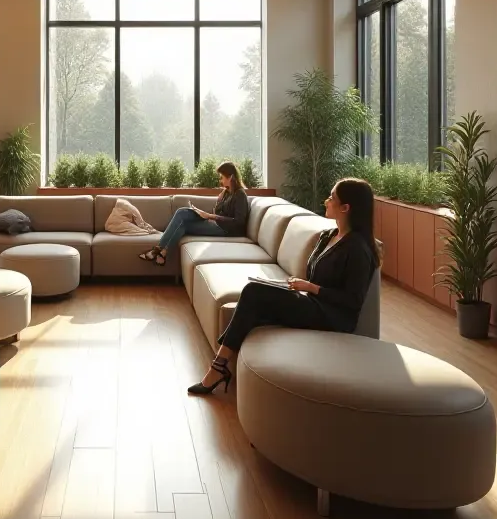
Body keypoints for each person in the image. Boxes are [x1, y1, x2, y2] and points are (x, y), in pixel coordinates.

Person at [188, 177, 379, 395]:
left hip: (332, 317)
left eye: (332, 197)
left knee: (253, 294)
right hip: (313, 302)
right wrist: (300, 286)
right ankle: (222, 365)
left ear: (346, 208)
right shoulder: (329, 235)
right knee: (255, 295)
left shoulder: (358, 249)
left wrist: (311, 288)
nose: (326, 201)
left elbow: (353, 301)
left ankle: (218, 367)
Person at [139, 160, 249, 266]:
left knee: (182, 216)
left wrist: (211, 216)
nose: (220, 180)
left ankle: (157, 250)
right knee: (182, 218)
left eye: (222, 177)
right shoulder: (226, 192)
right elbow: (219, 212)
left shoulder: (240, 195)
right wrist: (218, 202)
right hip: (217, 224)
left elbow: (239, 221)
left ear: (231, 177)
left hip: (227, 230)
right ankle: (163, 253)